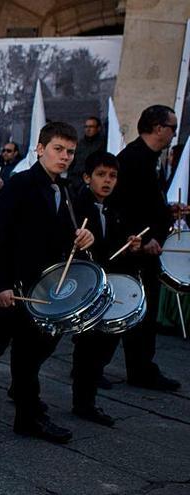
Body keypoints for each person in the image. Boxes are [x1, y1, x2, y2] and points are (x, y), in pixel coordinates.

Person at [0, 121, 94, 444]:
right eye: (58, 150)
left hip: (39, 286)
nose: (64, 157)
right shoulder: (20, 184)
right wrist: (0, 285)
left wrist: (80, 237)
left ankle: (24, 414)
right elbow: (0, 236)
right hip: (16, 284)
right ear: (39, 149)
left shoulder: (64, 190)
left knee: (24, 350)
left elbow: (57, 234)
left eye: (70, 152)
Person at [111, 105, 181, 391]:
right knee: (133, 308)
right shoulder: (132, 159)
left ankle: (140, 367)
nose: (174, 134)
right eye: (172, 127)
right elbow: (121, 206)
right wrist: (143, 236)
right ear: (157, 127)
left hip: (148, 247)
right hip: (135, 249)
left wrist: (169, 211)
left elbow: (147, 203)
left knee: (143, 310)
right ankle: (132, 369)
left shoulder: (151, 158)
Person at [71, 151, 142, 426]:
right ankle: (84, 402)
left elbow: (116, 247)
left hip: (108, 284)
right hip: (87, 284)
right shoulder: (77, 206)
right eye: (101, 175)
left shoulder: (115, 208)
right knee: (88, 345)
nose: (107, 181)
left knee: (107, 338)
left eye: (112, 176)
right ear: (87, 177)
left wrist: (131, 245)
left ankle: (87, 389)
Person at [69, 116, 106, 194]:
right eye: (86, 127)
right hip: (76, 181)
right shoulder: (79, 144)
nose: (88, 129)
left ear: (98, 128)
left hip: (92, 182)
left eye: (91, 127)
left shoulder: (103, 144)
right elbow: (72, 162)